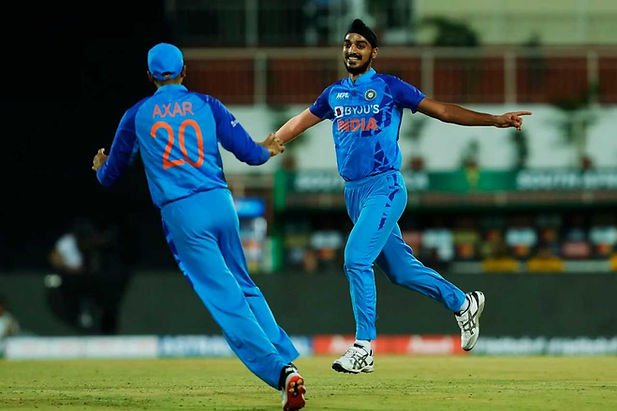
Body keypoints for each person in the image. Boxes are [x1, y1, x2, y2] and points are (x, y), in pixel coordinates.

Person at [273, 19, 532, 374]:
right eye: (348, 44)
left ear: (373, 52)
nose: (352, 49)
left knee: (355, 259)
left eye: (360, 45)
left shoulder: (389, 87)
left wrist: (494, 120)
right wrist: (270, 143)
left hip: (386, 187)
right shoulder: (333, 94)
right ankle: (463, 303)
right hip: (354, 194)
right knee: (401, 271)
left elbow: (441, 111)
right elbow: (299, 122)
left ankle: (364, 347)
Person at [91, 42, 306, 411]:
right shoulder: (208, 105)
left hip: (183, 213)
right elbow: (250, 154)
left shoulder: (137, 114)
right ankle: (283, 351)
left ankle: (281, 372)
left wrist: (99, 168)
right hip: (221, 204)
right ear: (183, 71)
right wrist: (267, 147)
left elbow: (112, 175)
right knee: (244, 285)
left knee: (225, 300)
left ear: (149, 76)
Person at [47, 217, 131, 335]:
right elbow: (54, 259)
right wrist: (70, 269)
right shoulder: (67, 242)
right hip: (67, 279)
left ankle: (97, 320)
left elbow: (96, 255)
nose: (87, 241)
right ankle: (80, 313)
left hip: (85, 279)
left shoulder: (89, 245)